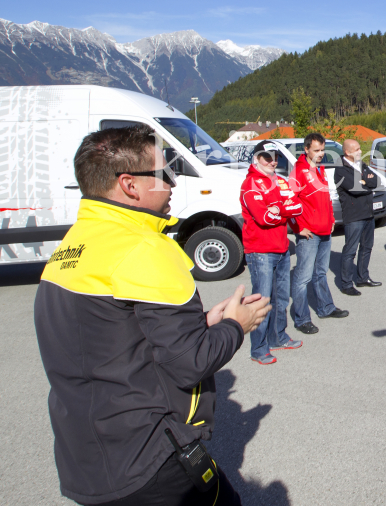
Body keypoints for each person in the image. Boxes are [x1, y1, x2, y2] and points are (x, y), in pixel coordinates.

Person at [35, 125, 270, 505]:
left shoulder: (73, 244)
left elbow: (114, 338)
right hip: (151, 458)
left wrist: (202, 324)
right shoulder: (146, 247)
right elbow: (191, 363)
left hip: (86, 456)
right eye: (164, 173)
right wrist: (235, 326)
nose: (174, 183)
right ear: (130, 184)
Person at [241, 140, 304, 365]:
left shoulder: (280, 181)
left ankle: (278, 337)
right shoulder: (250, 184)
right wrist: (282, 210)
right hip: (260, 250)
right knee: (262, 302)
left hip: (282, 247)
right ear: (257, 158)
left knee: (280, 300)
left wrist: (280, 209)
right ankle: (258, 349)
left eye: (275, 156)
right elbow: (264, 218)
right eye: (267, 157)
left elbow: (297, 206)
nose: (272, 161)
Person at [289, 132, 348, 335]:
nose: (321, 153)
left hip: (325, 230)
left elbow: (326, 199)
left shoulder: (320, 170)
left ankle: (326, 308)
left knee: (320, 272)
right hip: (309, 234)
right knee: (302, 278)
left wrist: (331, 219)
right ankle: (302, 319)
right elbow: (289, 203)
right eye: (317, 150)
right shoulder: (298, 171)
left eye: (323, 150)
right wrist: (298, 228)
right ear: (306, 150)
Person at [333, 138, 382, 295]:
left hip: (368, 213)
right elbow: (356, 190)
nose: (360, 151)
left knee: (367, 247)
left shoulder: (361, 164)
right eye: (357, 149)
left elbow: (376, 180)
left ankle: (363, 278)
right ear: (347, 152)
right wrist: (366, 184)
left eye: (360, 148)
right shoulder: (340, 169)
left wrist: (364, 182)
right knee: (350, 250)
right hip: (354, 216)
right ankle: (346, 284)